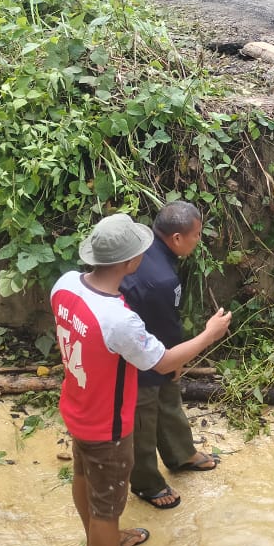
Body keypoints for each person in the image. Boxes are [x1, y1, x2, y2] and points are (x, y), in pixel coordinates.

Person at [51, 212, 232, 546]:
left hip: (76, 405)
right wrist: (209, 334)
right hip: (107, 423)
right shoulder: (119, 320)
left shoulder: (64, 286)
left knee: (83, 475)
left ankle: (95, 544)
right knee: (107, 508)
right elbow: (164, 362)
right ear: (129, 263)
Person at [120, 201, 219, 512]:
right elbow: (165, 325)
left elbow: (165, 322)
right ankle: (147, 483)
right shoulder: (162, 280)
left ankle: (180, 454)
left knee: (169, 400)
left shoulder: (148, 246)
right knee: (143, 419)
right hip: (135, 354)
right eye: (197, 235)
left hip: (152, 339)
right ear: (176, 238)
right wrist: (175, 361)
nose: (199, 241)